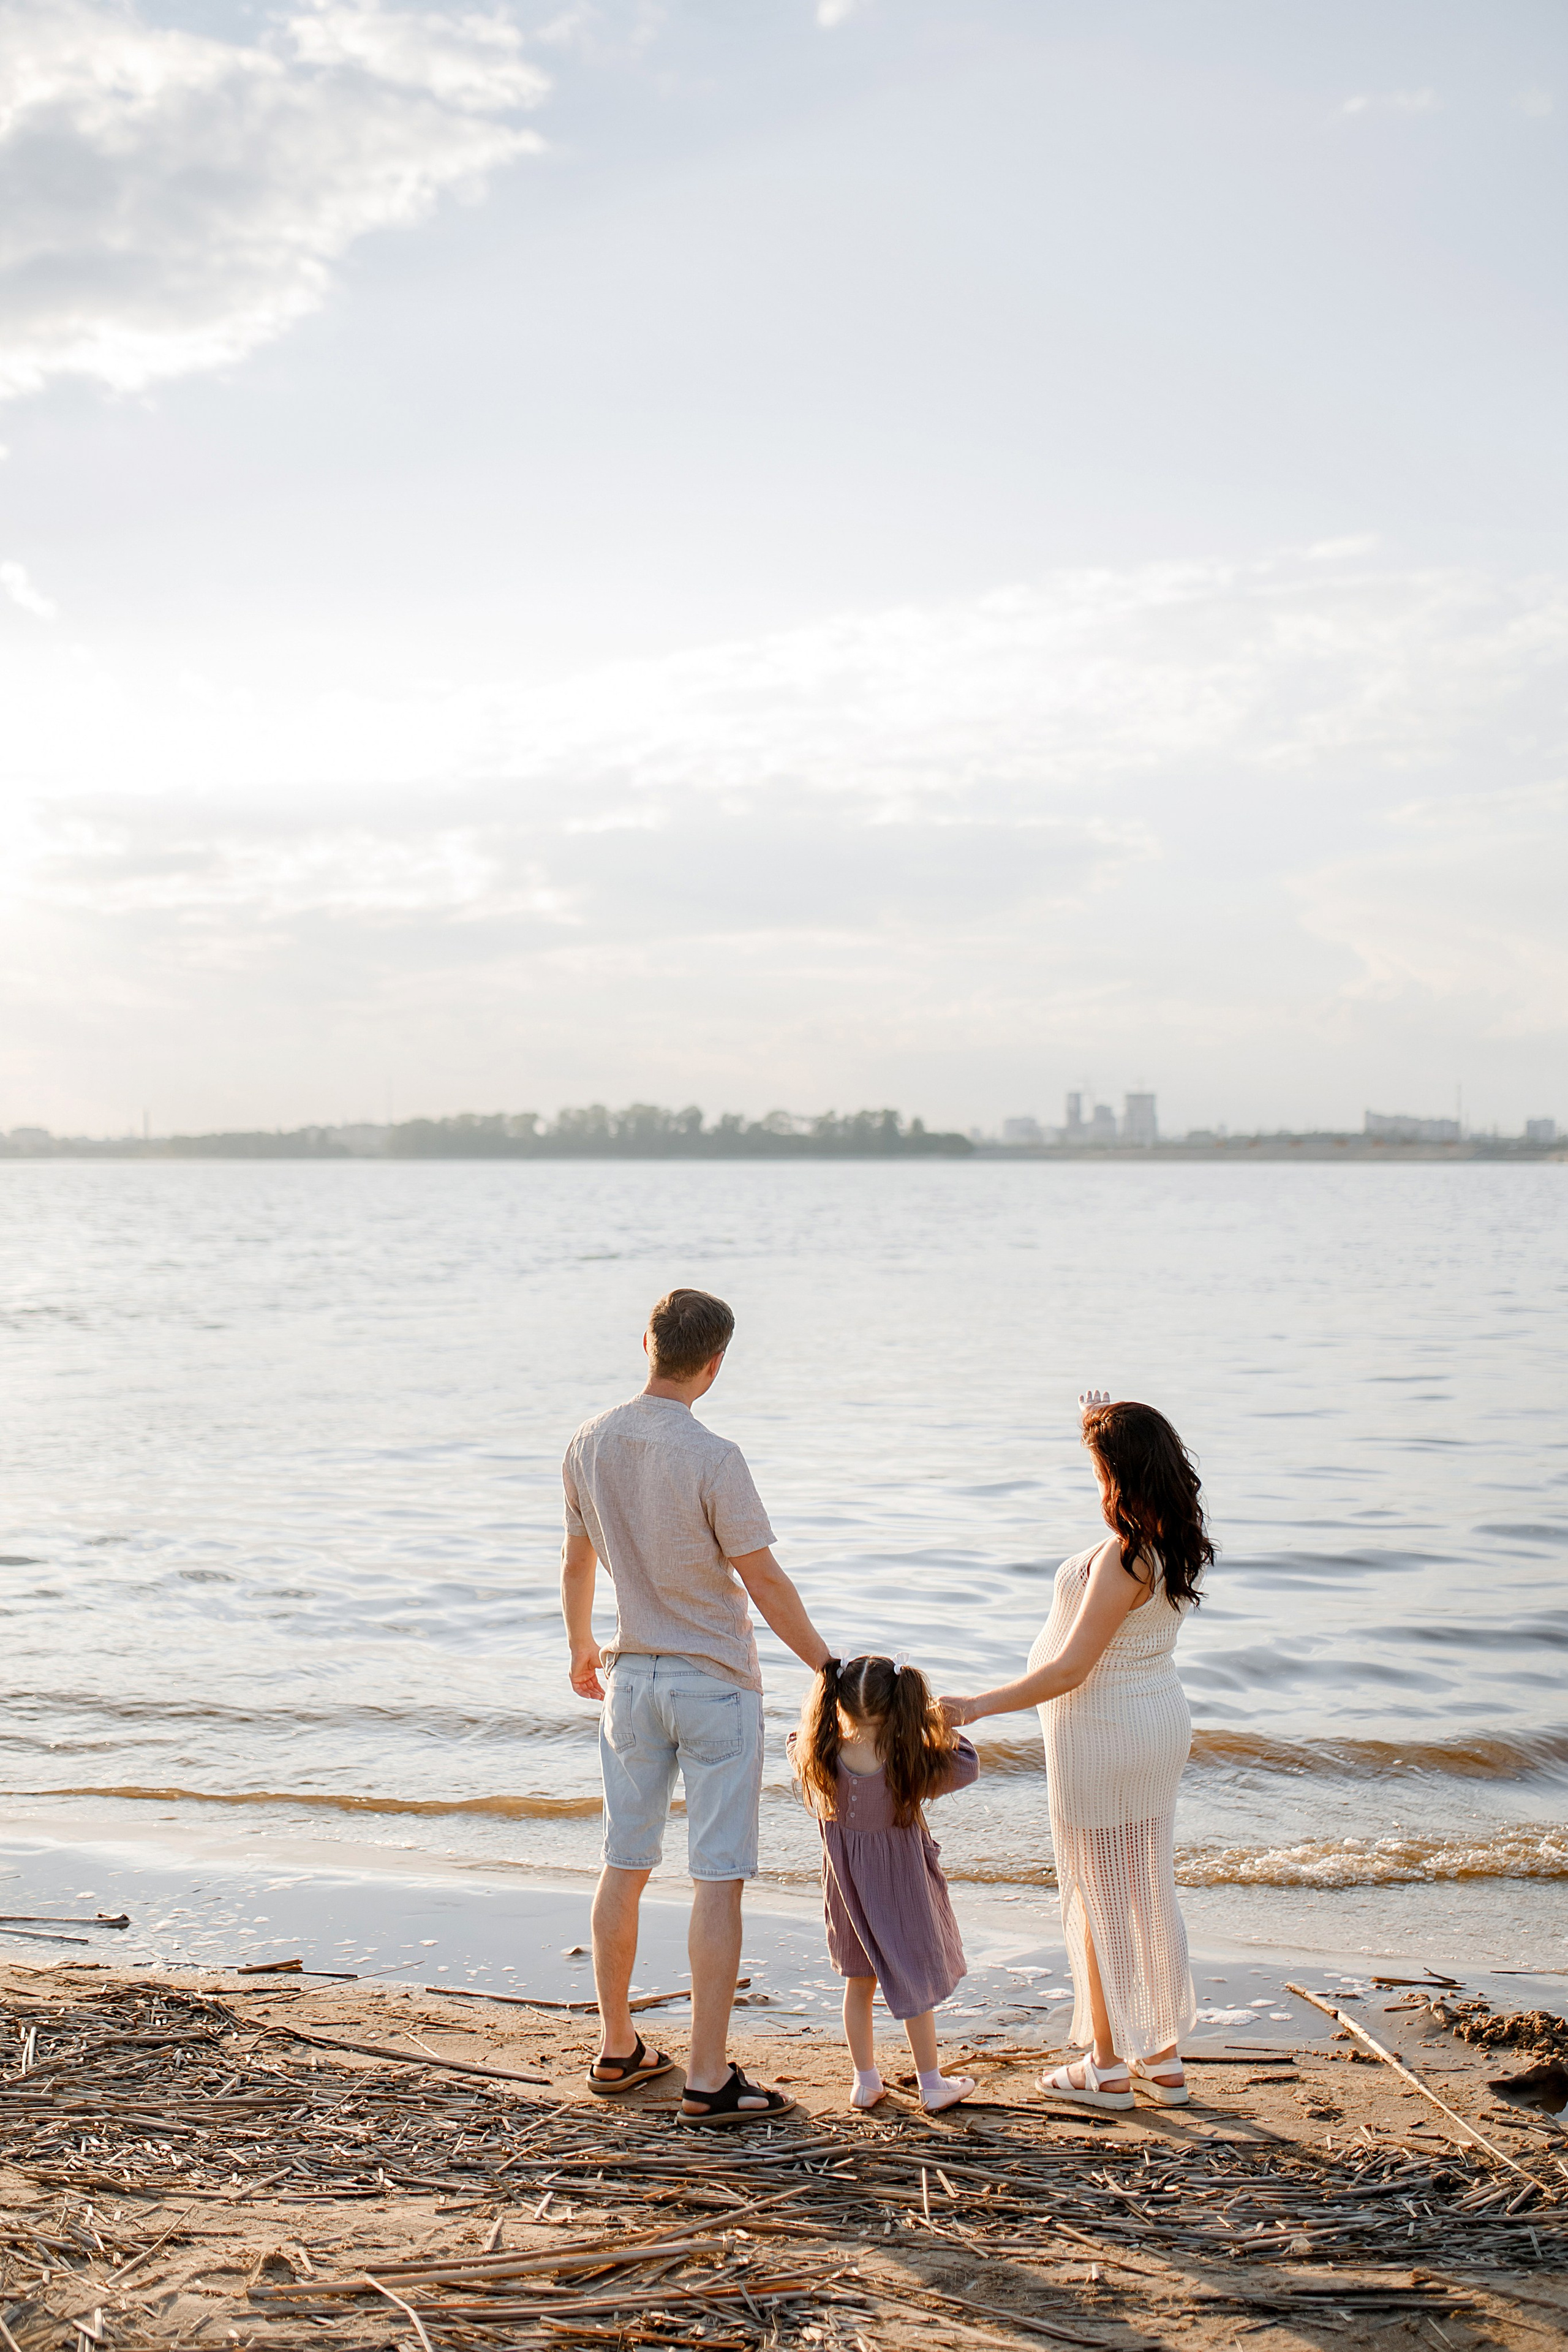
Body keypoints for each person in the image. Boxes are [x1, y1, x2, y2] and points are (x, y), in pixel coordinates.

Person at [561, 1286, 834, 2125]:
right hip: (714, 1681)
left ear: (646, 1344)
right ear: (714, 1365)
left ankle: (616, 2048)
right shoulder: (714, 1456)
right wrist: (828, 1668)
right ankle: (709, 2077)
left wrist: (579, 1646)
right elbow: (765, 1580)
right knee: (717, 1877)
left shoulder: (587, 1443)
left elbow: (576, 1561)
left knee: (624, 1861)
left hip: (631, 1679)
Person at [941, 1391, 1210, 2111]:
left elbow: (1069, 1669)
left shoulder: (1124, 1558)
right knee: (1143, 1887)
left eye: (1099, 1472)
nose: (1095, 1486)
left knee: (1098, 1895)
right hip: (1152, 1725)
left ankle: (1106, 2067)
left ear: (1120, 1477)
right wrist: (1096, 1421)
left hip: (1103, 1732)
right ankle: (1162, 2060)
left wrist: (975, 1705)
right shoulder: (1170, 1540)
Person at [788, 1653, 980, 2113]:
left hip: (848, 1896)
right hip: (901, 1892)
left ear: (837, 1703)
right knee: (914, 1984)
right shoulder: (907, 1762)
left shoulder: (819, 1757)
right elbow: (967, 1765)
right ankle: (931, 2083)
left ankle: (865, 2082)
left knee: (859, 1984)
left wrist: (819, 1719)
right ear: (899, 1707)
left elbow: (794, 1740)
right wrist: (934, 1723)